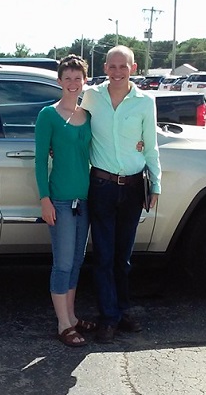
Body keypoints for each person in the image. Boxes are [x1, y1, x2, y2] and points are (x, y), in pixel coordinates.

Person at [80, 45, 162, 344]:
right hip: (101, 186)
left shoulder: (144, 102)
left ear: (134, 68)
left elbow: (150, 145)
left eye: (122, 67)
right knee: (103, 256)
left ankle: (123, 310)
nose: (116, 72)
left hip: (132, 187)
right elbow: (73, 123)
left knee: (123, 258)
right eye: (112, 67)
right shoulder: (91, 96)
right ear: (105, 67)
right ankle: (108, 317)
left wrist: (156, 184)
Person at [34, 54, 94, 347]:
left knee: (77, 262)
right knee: (63, 263)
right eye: (67, 78)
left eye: (77, 78)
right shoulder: (48, 115)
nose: (72, 83)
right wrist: (44, 199)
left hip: (85, 201)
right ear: (59, 81)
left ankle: (71, 316)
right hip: (59, 200)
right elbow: (39, 161)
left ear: (85, 81)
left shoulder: (89, 116)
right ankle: (62, 324)